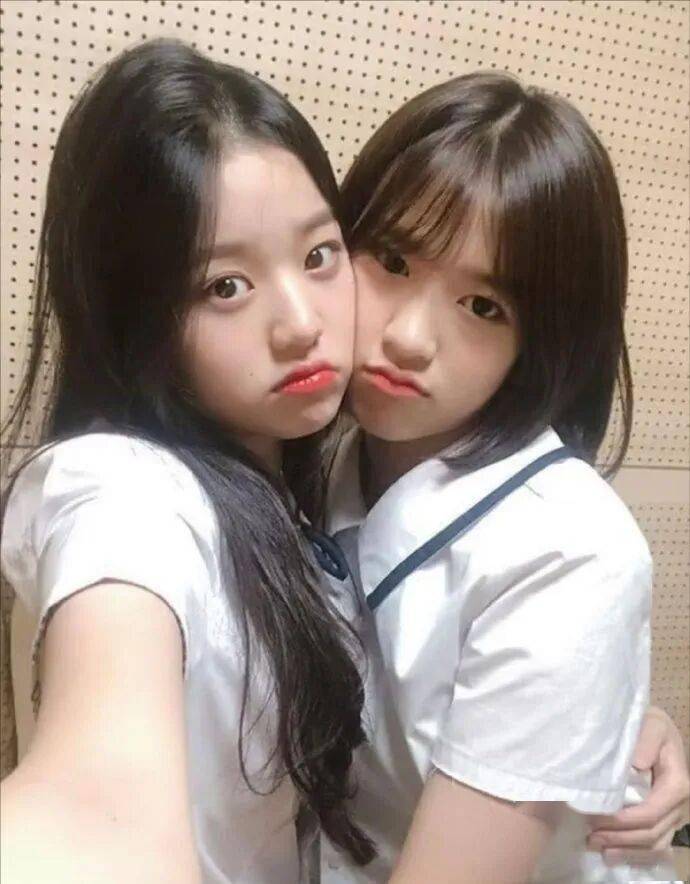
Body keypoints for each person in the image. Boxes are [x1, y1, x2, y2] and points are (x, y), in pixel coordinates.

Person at [0, 38, 375, 883]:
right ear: (135, 316)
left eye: (318, 256)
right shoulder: (120, 488)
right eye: (224, 287)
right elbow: (91, 813)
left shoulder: (300, 480)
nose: (301, 323)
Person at [320, 71, 688, 882]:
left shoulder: (570, 553)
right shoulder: (312, 455)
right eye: (391, 260)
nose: (409, 338)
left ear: (542, 342)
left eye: (483, 306)